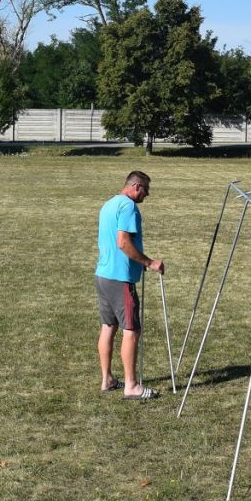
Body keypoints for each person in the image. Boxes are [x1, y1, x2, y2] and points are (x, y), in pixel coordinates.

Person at [95, 170, 164, 399]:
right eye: (146, 190)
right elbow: (123, 242)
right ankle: (131, 386)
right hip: (120, 279)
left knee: (108, 326)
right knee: (131, 330)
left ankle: (107, 379)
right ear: (136, 187)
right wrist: (149, 262)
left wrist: (139, 262)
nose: (147, 194)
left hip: (103, 275)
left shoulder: (109, 204)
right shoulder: (128, 207)